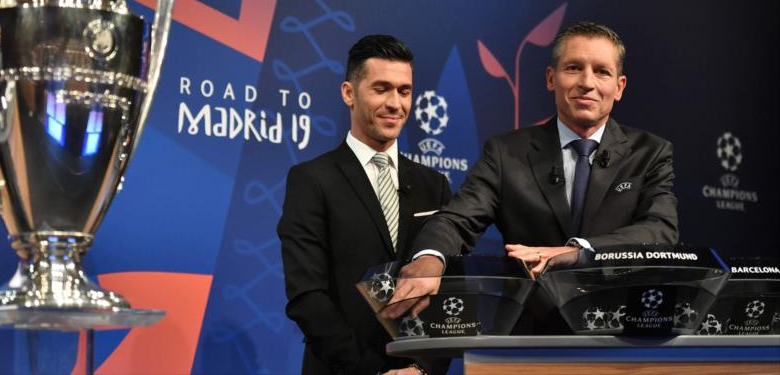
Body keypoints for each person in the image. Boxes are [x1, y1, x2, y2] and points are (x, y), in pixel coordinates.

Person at [383, 22, 679, 327]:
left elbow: (660, 231)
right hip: (530, 336)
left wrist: (578, 252)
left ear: (619, 87)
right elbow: (456, 220)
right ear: (551, 78)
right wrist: (430, 257)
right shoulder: (506, 153)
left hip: (622, 333)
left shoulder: (650, 153)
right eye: (574, 68)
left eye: (602, 71)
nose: (587, 83)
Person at [278, 35, 452, 375]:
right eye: (381, 89)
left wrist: (422, 368)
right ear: (349, 93)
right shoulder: (311, 180)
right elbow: (307, 295)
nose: (395, 103)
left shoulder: (436, 186)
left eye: (404, 91)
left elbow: (449, 291)